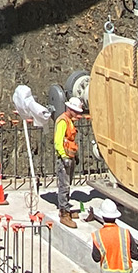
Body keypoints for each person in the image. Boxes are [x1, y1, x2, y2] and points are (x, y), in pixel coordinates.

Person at [53, 97, 84, 227]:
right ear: (70, 109)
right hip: (64, 159)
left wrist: (74, 156)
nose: (78, 114)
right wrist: (64, 156)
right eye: (76, 111)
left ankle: (66, 208)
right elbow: (57, 142)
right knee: (64, 186)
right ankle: (64, 213)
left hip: (69, 157)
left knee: (67, 184)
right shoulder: (62, 121)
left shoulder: (70, 121)